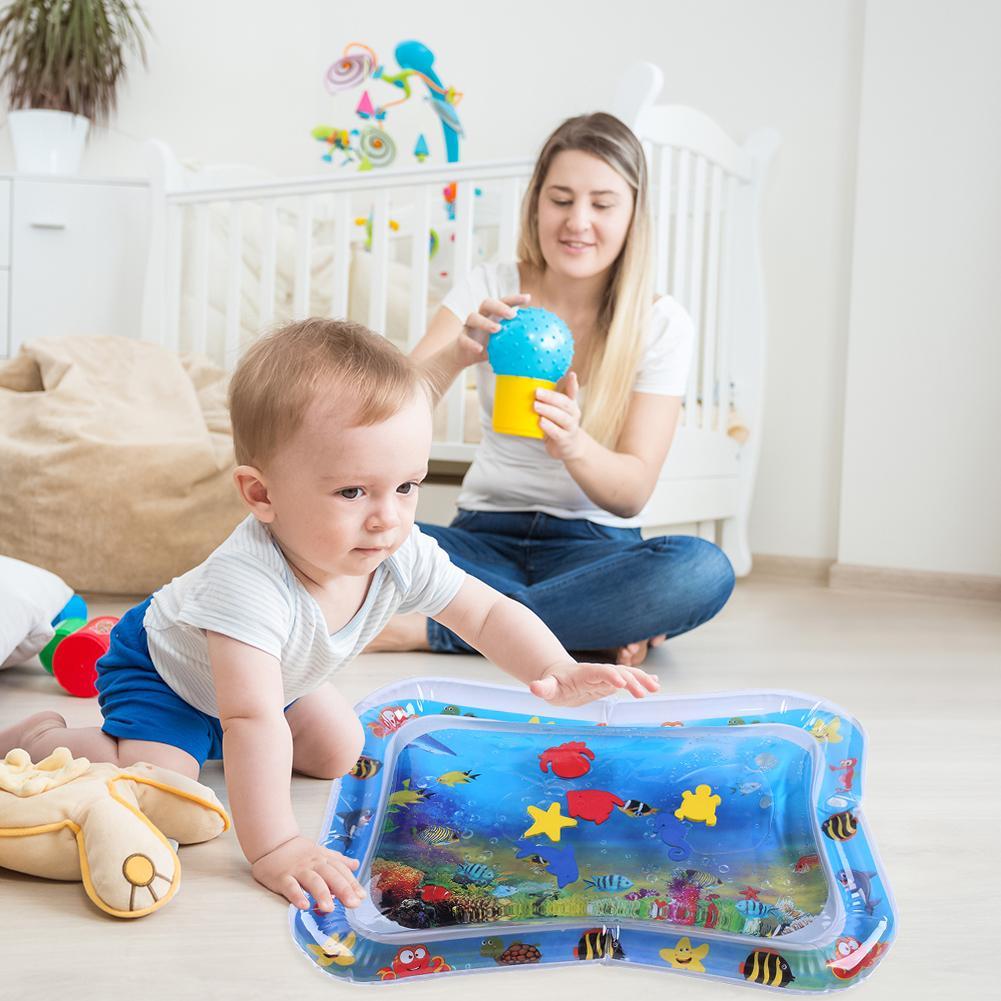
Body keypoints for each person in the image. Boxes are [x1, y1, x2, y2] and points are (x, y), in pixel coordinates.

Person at [0, 318, 659, 914]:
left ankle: (209, 747)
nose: (387, 515)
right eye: (352, 491)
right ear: (262, 494)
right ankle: (42, 737)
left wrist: (554, 665)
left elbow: (484, 612)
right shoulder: (247, 585)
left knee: (337, 748)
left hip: (273, 677)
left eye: (406, 485)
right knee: (164, 782)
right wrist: (276, 845)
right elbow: (249, 718)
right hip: (166, 670)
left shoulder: (395, 546)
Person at [367, 112, 735, 666]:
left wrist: (576, 446)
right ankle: (582, 626)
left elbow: (632, 492)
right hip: (481, 540)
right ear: (536, 203)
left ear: (633, 213)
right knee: (340, 532)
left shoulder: (661, 323)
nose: (577, 221)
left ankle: (434, 629)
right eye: (560, 199)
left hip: (594, 550)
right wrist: (457, 353)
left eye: (602, 204)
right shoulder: (490, 286)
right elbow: (388, 415)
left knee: (702, 570)